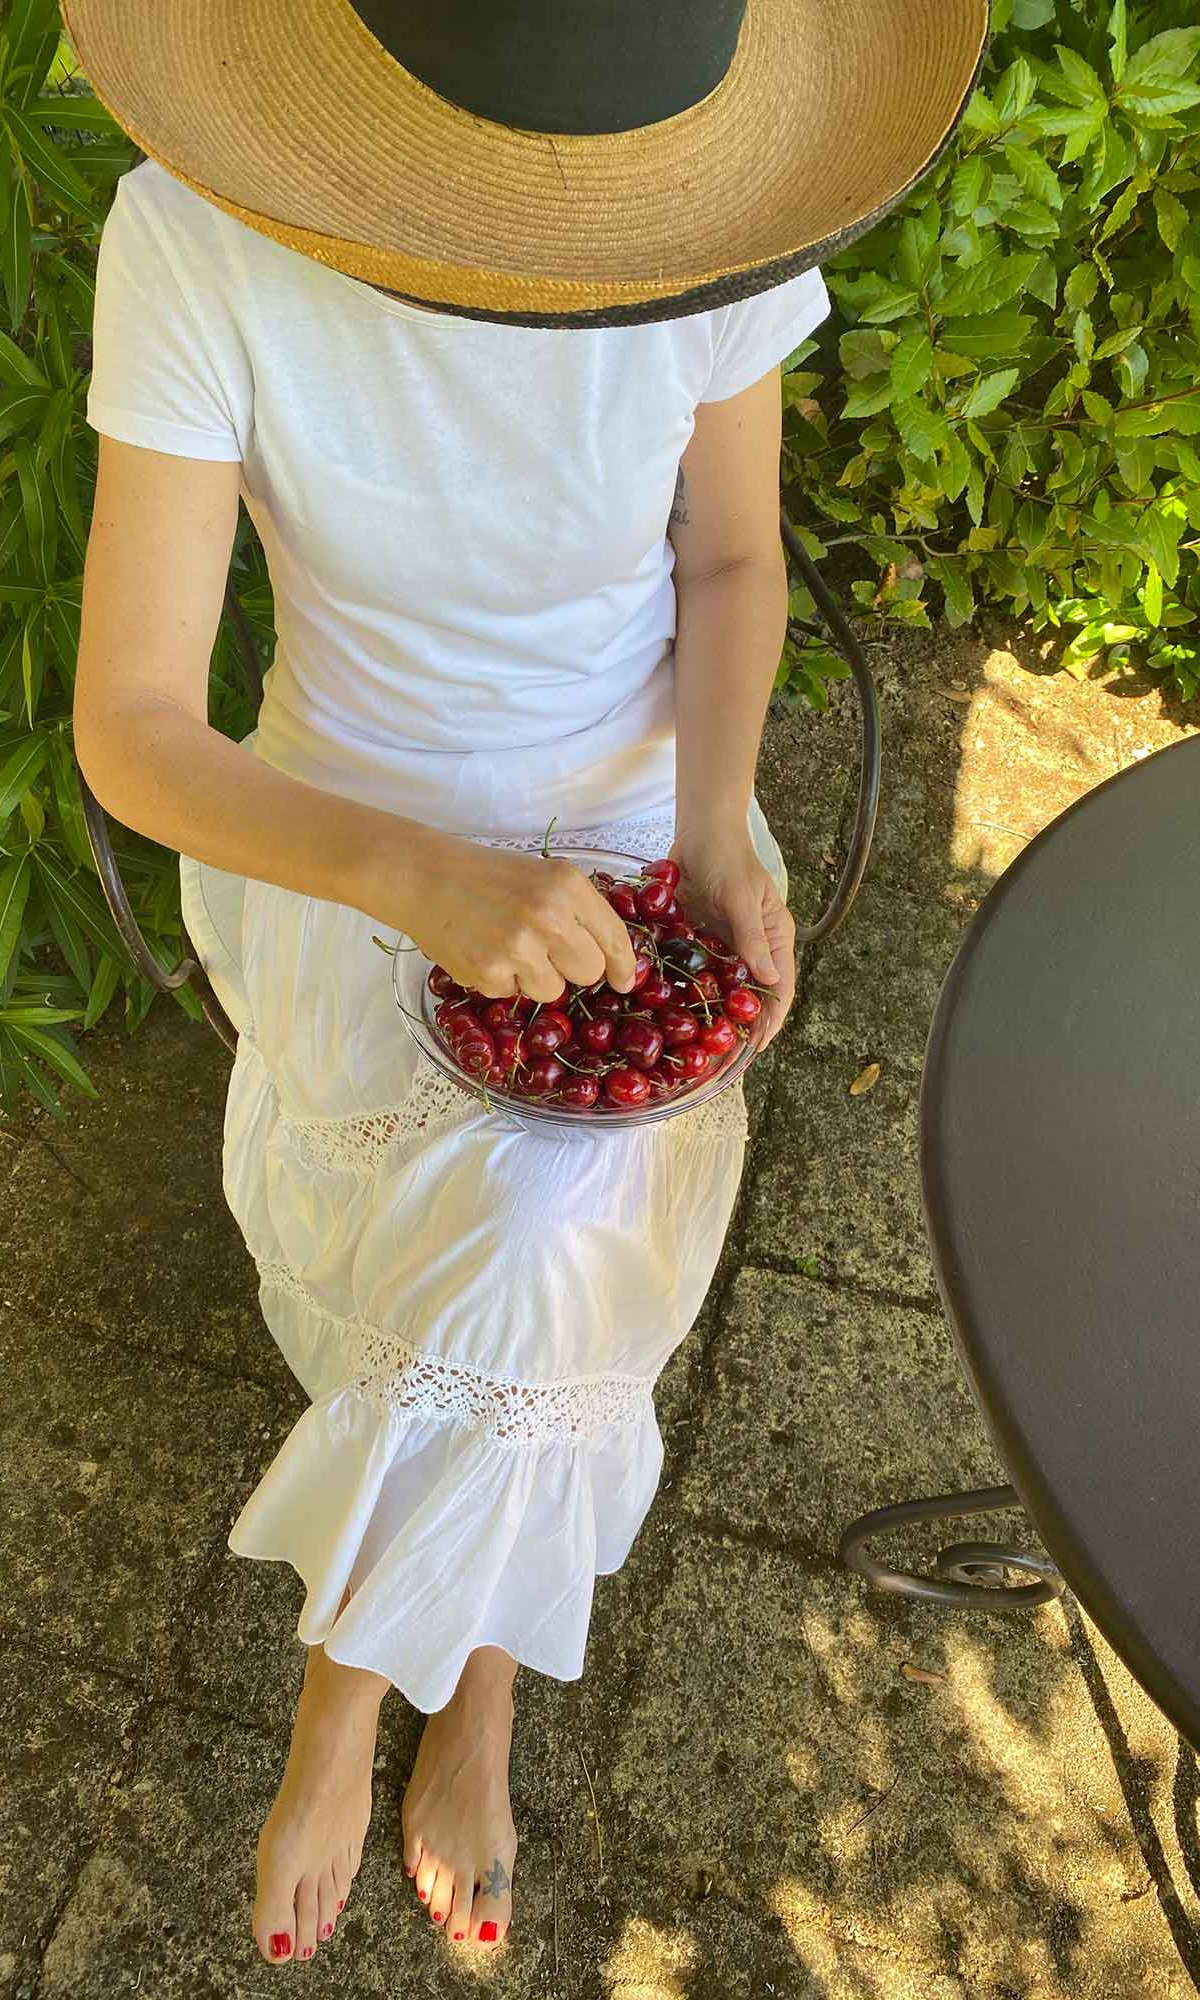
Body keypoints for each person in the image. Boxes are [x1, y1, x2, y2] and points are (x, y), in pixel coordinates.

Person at [67, 0, 987, 1967]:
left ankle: (386, 1682)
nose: (569, 233)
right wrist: (417, 876)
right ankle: (420, 1683)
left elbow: (728, 565)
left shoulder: (713, 223)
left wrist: (716, 822)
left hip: (632, 799)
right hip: (350, 826)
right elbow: (134, 729)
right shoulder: (200, 230)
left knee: (535, 1244)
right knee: (515, 1254)